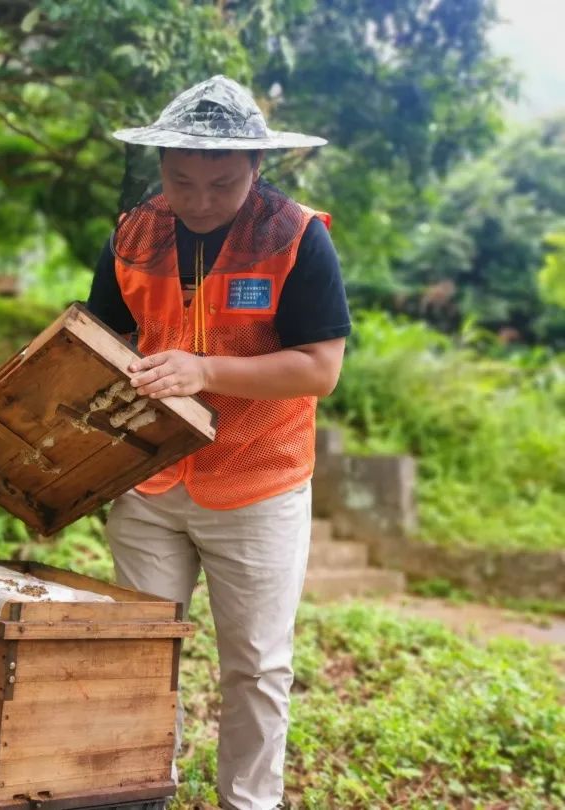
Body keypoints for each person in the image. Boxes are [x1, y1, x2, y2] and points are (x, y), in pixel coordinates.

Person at [87, 76, 350, 810]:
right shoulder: (133, 233)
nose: (199, 199)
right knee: (139, 654)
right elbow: (101, 341)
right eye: (181, 181)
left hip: (258, 485)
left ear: (257, 170)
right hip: (151, 482)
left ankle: (249, 803)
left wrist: (203, 369)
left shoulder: (297, 236)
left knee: (257, 667)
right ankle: (136, 792)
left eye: (222, 183)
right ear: (161, 167)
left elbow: (319, 369)